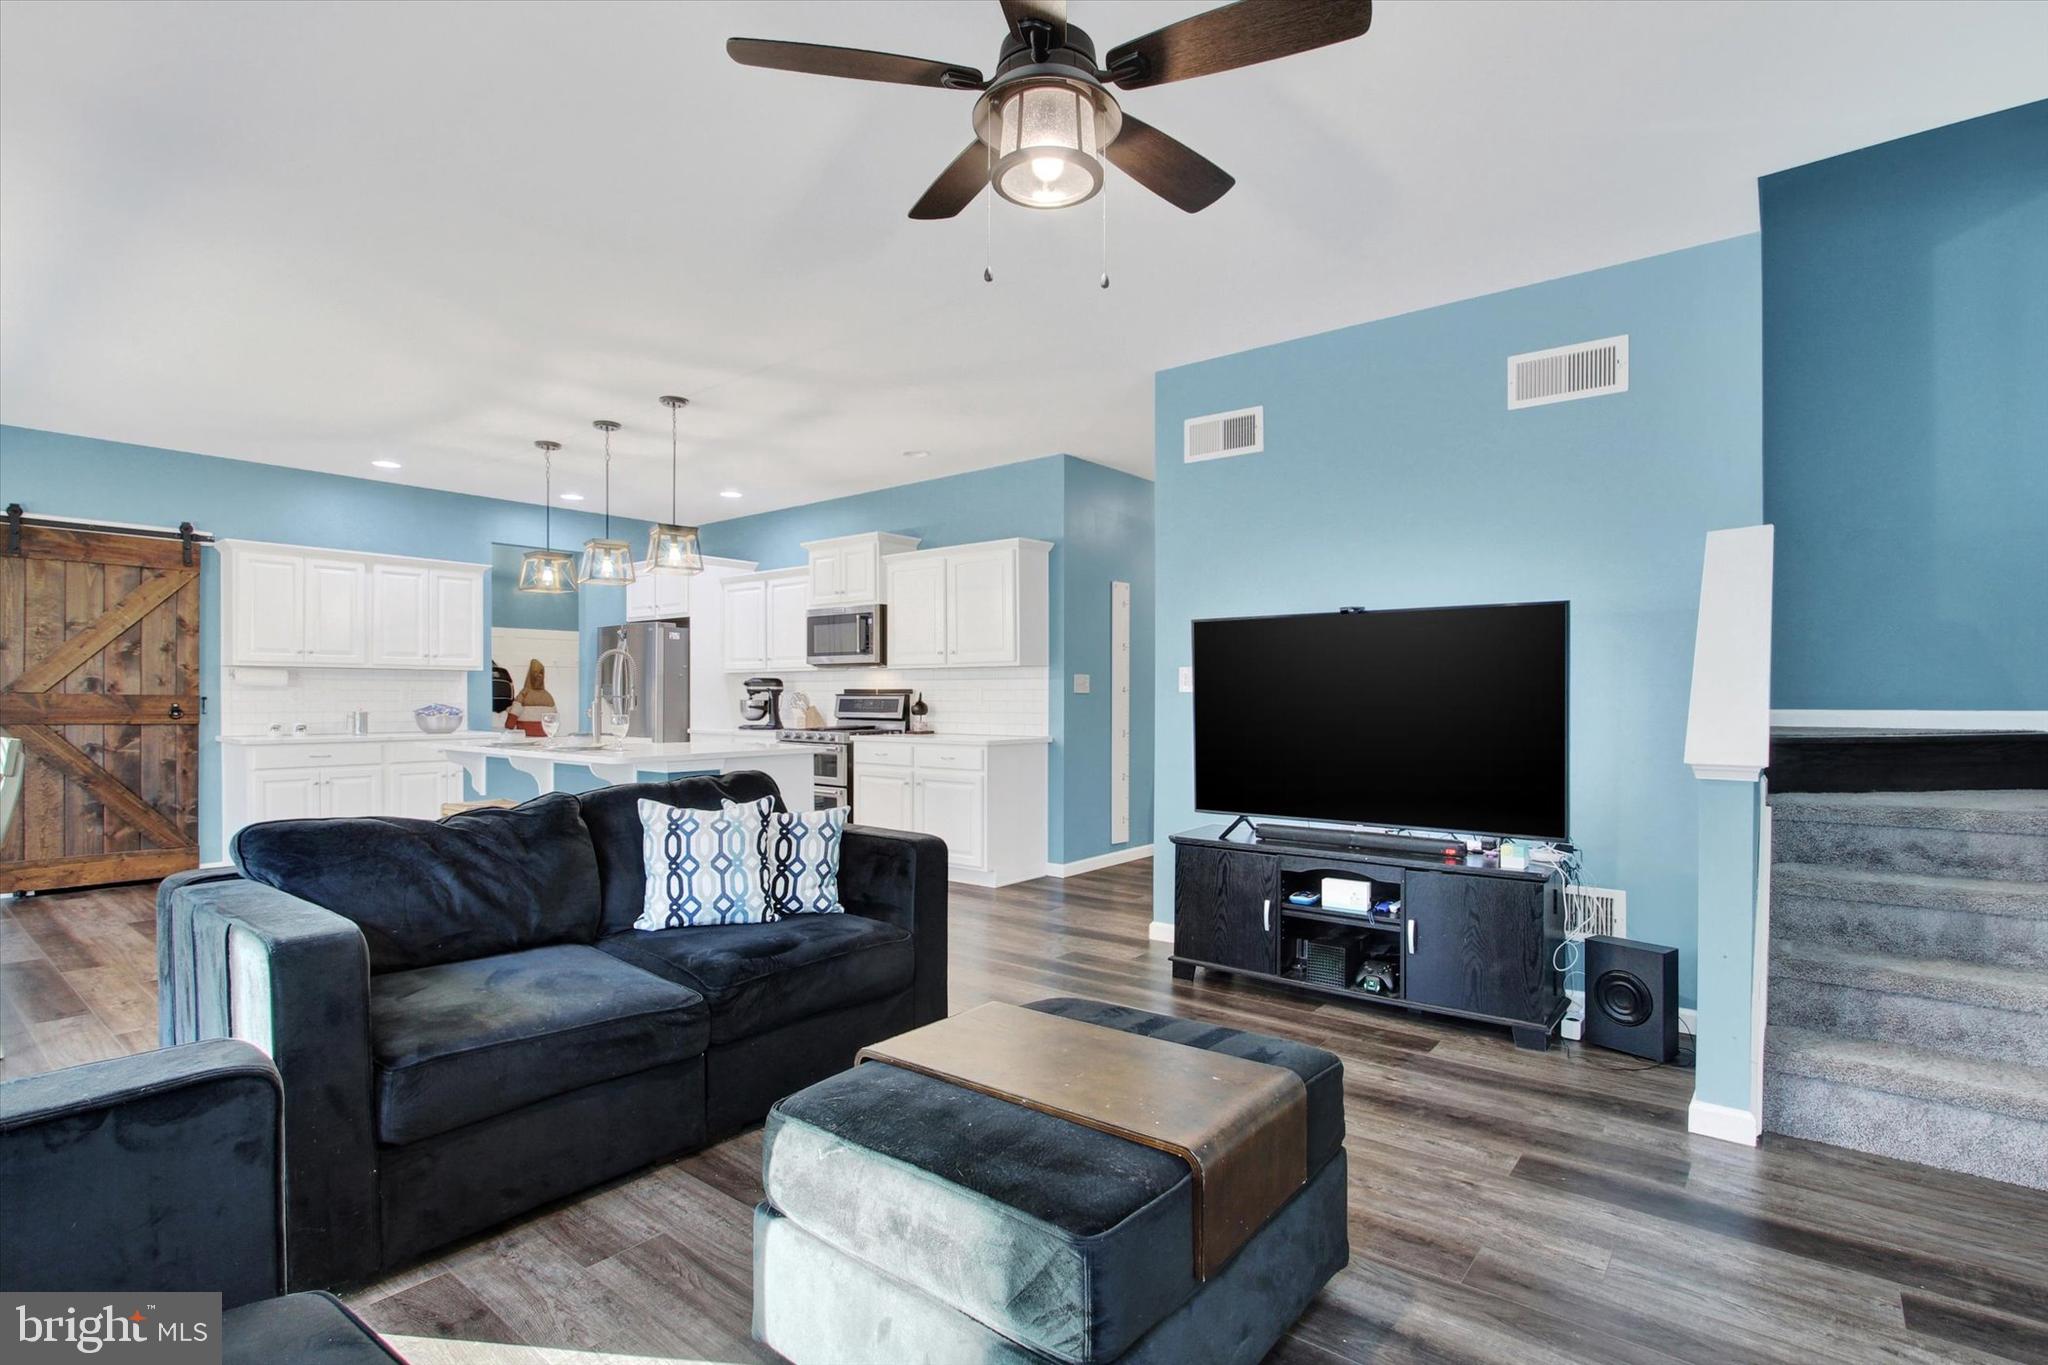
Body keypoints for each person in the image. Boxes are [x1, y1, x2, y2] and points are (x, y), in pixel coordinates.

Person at [505, 659, 557, 731]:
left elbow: (510, 724)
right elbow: (554, 723)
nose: (538, 676)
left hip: (524, 738)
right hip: (543, 739)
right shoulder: (548, 697)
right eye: (535, 672)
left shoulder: (524, 694)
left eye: (541, 673)